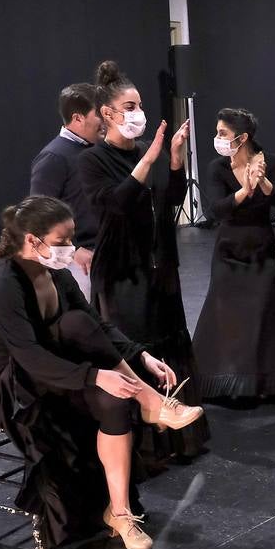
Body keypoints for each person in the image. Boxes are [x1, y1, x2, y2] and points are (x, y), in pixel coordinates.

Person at [0, 196, 204, 549]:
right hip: (15, 385)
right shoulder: (4, 287)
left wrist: (141, 355)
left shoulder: (57, 275)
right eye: (61, 241)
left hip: (57, 367)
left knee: (106, 383)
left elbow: (97, 325)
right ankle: (152, 401)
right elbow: (29, 357)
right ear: (32, 240)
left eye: (71, 239)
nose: (70, 248)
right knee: (81, 334)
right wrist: (95, 376)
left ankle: (120, 513)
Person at [78, 60, 210, 461]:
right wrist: (148, 160)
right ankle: (145, 449)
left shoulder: (145, 152)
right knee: (139, 349)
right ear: (108, 113)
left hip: (159, 265)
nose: (138, 114)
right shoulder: (92, 160)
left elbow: (169, 203)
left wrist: (172, 160)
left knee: (170, 341)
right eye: (130, 106)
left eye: (138, 106)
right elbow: (114, 205)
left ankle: (179, 439)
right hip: (123, 271)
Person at [191, 108, 275, 400]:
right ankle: (230, 382)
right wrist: (245, 190)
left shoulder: (271, 162)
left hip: (261, 248)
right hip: (229, 249)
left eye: (222, 134)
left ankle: (266, 383)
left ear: (243, 138)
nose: (217, 138)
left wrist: (263, 181)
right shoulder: (218, 167)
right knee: (228, 316)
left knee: (264, 316)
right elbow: (215, 210)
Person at [29, 83, 103, 299]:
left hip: (103, 253)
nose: (105, 119)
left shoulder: (97, 149)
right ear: (78, 118)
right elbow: (38, 215)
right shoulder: (53, 158)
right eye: (98, 113)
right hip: (79, 264)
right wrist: (75, 249)